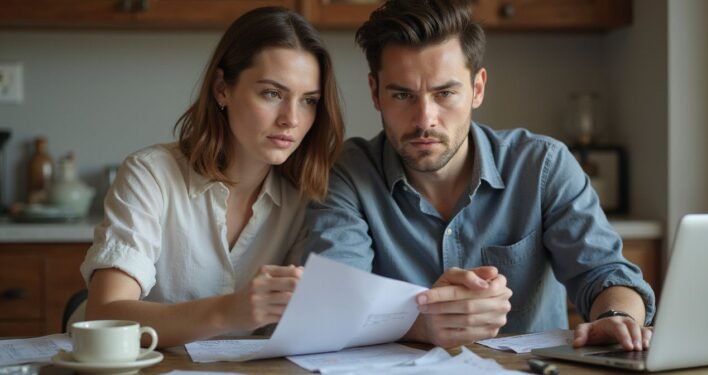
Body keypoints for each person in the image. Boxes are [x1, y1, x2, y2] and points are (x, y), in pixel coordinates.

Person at [304, 0, 655, 351]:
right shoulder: (347, 174)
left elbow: (605, 272)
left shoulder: (542, 166)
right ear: (375, 93)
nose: (425, 119)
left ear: (478, 88)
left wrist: (618, 317)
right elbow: (337, 301)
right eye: (402, 95)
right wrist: (423, 323)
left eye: (445, 93)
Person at [81, 7, 343, 348]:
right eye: (272, 94)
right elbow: (104, 316)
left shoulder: (305, 197)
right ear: (222, 89)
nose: (291, 119)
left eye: (308, 101)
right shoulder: (152, 174)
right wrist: (230, 311)